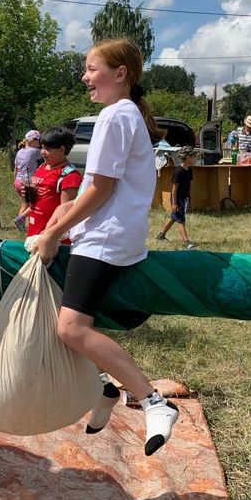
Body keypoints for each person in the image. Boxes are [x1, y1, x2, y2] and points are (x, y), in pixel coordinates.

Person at [34, 38, 180, 457]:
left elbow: (99, 188)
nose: (85, 77)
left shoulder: (115, 116)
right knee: (62, 327)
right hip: (109, 234)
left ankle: (153, 401)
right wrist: (57, 228)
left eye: (92, 68)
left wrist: (52, 232)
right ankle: (104, 389)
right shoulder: (124, 113)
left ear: (121, 74)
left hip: (105, 238)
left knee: (70, 328)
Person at [25, 126, 82, 240]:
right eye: (41, 148)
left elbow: (65, 213)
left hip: (51, 237)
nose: (42, 152)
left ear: (62, 150)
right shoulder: (42, 167)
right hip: (34, 229)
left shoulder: (69, 175)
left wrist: (48, 233)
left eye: (48, 149)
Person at [156, 146, 196, 248]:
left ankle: (161, 235)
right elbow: (174, 188)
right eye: (193, 157)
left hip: (184, 198)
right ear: (188, 158)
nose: (195, 159)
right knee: (181, 220)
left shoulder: (189, 171)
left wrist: (189, 199)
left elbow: (188, 186)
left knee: (174, 218)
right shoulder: (178, 171)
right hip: (177, 199)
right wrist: (174, 203)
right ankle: (186, 242)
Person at [13, 129, 43, 230]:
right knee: (33, 204)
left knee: (24, 205)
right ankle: (26, 223)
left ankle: (20, 226)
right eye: (39, 141)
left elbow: (16, 169)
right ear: (32, 141)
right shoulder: (35, 151)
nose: (40, 143)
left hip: (18, 180)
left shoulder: (19, 152)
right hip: (27, 181)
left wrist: (14, 181)